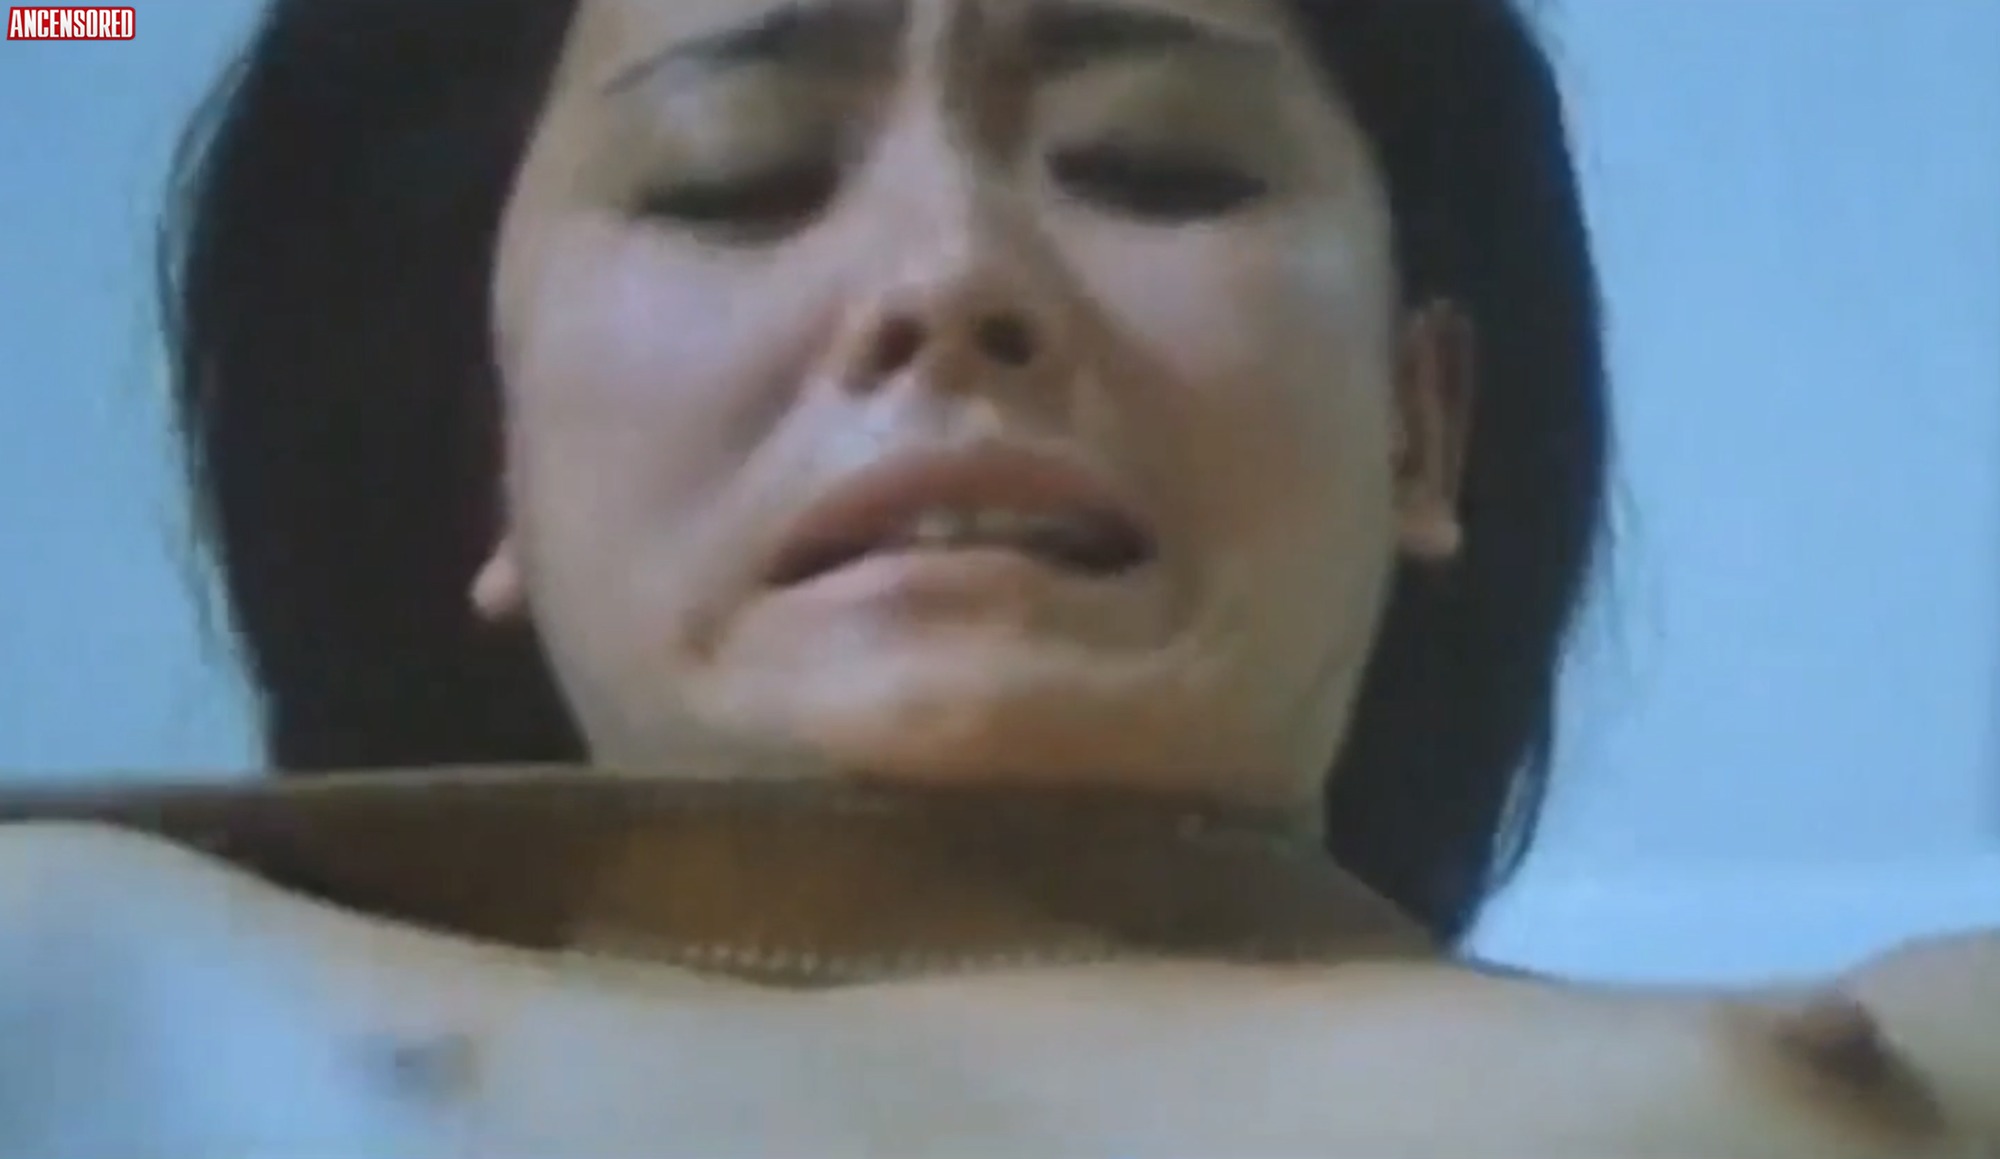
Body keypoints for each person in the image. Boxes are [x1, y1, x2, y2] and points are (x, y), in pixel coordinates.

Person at [1, 0, 1994, 1153]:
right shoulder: (85, 965)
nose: (950, 275)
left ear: (1423, 421)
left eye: (1154, 165)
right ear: (490, 443)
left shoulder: (1905, 1064)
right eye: (736, 179)